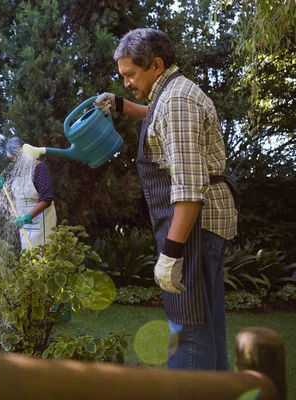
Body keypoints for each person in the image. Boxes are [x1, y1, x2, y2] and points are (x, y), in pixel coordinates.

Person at [95, 28, 238, 370]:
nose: (126, 83)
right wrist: (119, 105)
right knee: (208, 329)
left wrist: (171, 254)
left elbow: (189, 188)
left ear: (156, 65)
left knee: (188, 331)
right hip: (202, 229)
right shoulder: (172, 95)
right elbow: (154, 118)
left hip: (194, 230)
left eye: (130, 75)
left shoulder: (175, 101)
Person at [0, 137, 57, 250]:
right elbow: (16, 197)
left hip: (41, 222)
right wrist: (3, 188)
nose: (15, 162)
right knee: (28, 256)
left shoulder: (39, 169)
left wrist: (28, 217)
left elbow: (46, 199)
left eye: (17, 158)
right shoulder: (17, 171)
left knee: (42, 255)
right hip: (25, 224)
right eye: (13, 159)